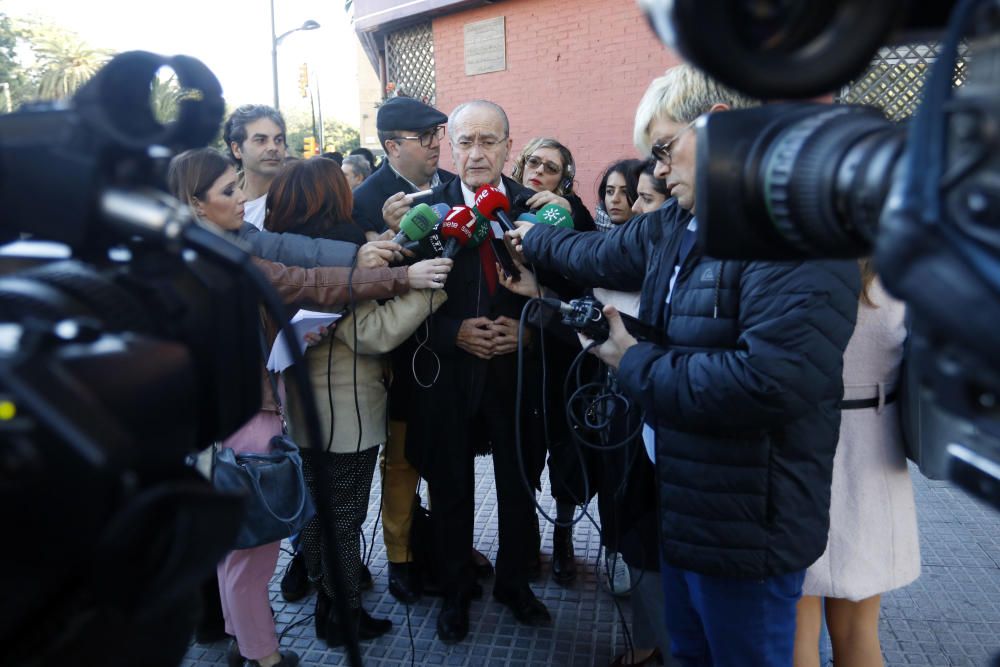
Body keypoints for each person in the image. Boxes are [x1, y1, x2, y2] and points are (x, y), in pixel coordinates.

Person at [508, 63, 860, 666]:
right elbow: (603, 251)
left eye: (666, 149)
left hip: (745, 528)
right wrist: (531, 237)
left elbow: (768, 383)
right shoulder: (681, 219)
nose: (658, 170)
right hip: (685, 506)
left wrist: (635, 362)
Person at [167, 148, 423, 667]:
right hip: (245, 422)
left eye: (238, 187)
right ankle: (264, 657)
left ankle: (244, 643)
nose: (244, 199)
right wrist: (406, 279)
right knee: (252, 554)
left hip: (217, 423)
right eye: (229, 191)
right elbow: (308, 282)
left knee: (235, 549)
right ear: (195, 205)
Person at [261, 158, 451, 645]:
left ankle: (329, 596)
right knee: (343, 519)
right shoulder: (339, 260)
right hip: (344, 416)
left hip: (300, 411)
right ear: (330, 200)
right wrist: (428, 289)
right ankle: (341, 614)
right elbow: (373, 333)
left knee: (316, 516)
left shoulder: (280, 260)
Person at [401, 99, 551, 643]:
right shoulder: (424, 213)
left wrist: (531, 327)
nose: (477, 153)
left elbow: (571, 291)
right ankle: (455, 588)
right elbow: (397, 305)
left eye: (489, 141)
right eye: (466, 142)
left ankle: (515, 583)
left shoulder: (539, 209)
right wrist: (452, 331)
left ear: (510, 146)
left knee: (518, 482)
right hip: (448, 374)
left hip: (516, 376)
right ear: (450, 147)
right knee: (450, 486)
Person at [794, 259, 921, 667]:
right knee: (859, 632)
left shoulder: (799, 263)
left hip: (800, 443)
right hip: (875, 450)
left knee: (796, 623)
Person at [351, 96, 453, 236]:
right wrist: (393, 231)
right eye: (424, 136)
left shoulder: (454, 183)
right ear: (393, 147)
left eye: (435, 132)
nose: (435, 143)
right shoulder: (362, 202)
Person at [223, 105, 287, 230]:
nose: (273, 147)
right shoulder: (221, 197)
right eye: (261, 140)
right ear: (236, 149)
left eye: (278, 140)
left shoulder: (299, 196)